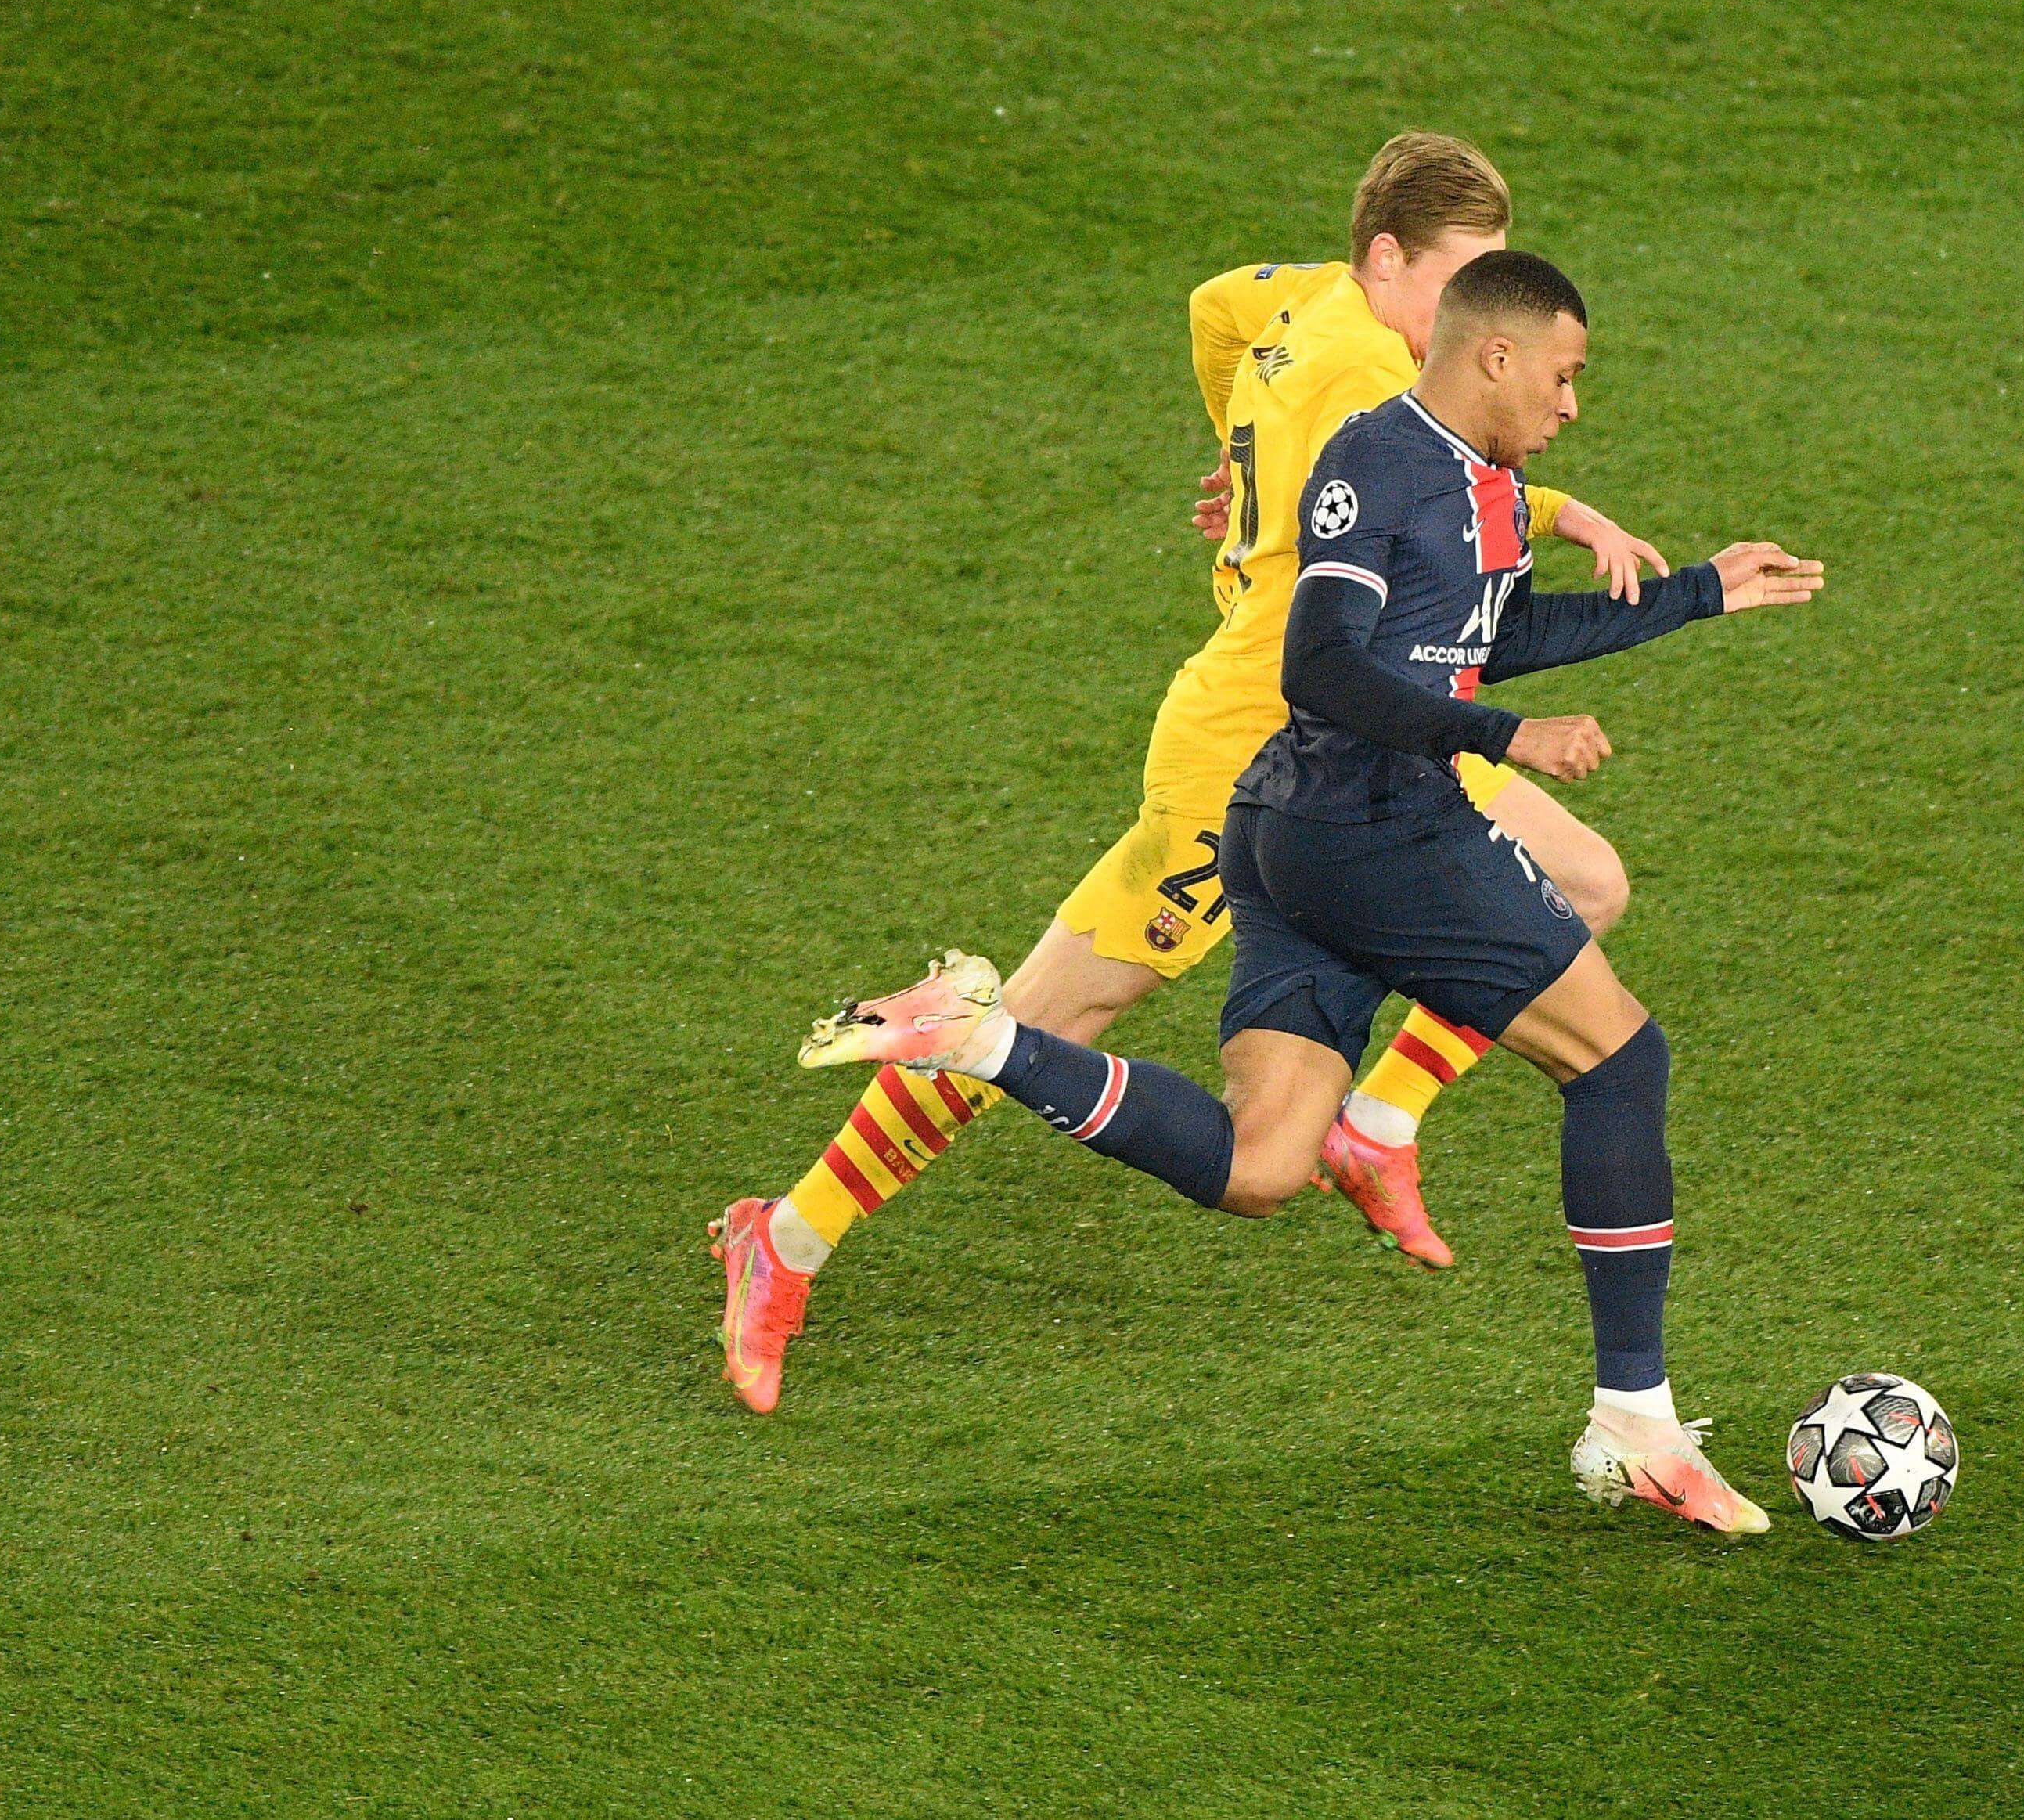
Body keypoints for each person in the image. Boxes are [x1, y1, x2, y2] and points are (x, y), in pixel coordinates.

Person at [798, 250, 1822, 1533]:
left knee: (1261, 1164)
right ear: (1494, 355)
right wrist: (1504, 740)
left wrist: (1697, 596)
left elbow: (1493, 636)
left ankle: (981, 1033)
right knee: (1618, 1063)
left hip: (1285, 829)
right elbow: (1323, 662)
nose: (1573, 407)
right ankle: (1635, 1419)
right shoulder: (1378, 461)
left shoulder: (1485, 483)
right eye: (1564, 376)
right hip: (1380, 828)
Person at [713, 135, 1666, 1414]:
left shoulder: (1304, 300)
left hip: (1376, 737)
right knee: (1051, 1018)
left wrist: (1242, 466)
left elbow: (1216, 311)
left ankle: (1375, 1125)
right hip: (1255, 749)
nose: (1476, 314)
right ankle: (786, 1237)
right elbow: (1436, 477)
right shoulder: (1365, 367)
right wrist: (1571, 515)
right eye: (1462, 279)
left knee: (1587, 880)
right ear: (1389, 258)